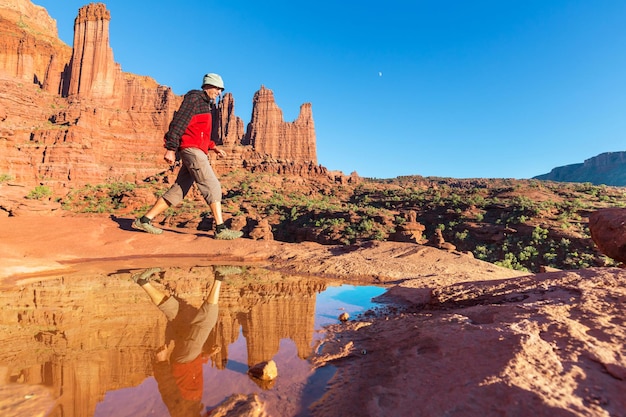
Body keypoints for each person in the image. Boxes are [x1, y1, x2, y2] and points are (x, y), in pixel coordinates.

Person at [133, 73, 243, 240]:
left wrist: (213, 147)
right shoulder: (194, 99)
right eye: (218, 89)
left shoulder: (206, 105)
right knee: (212, 185)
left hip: (196, 149)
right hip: (192, 150)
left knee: (179, 190)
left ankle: (144, 220)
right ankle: (221, 229)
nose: (219, 93)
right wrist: (170, 148)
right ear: (208, 86)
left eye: (221, 90)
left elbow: (199, 133)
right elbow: (179, 122)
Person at [130, 265, 240, 416]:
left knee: (205, 323)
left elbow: (167, 390)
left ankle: (219, 276)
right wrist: (206, 355)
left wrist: (161, 363)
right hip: (191, 359)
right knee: (175, 311)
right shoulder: (195, 411)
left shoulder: (180, 413)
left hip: (184, 361)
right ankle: (142, 281)